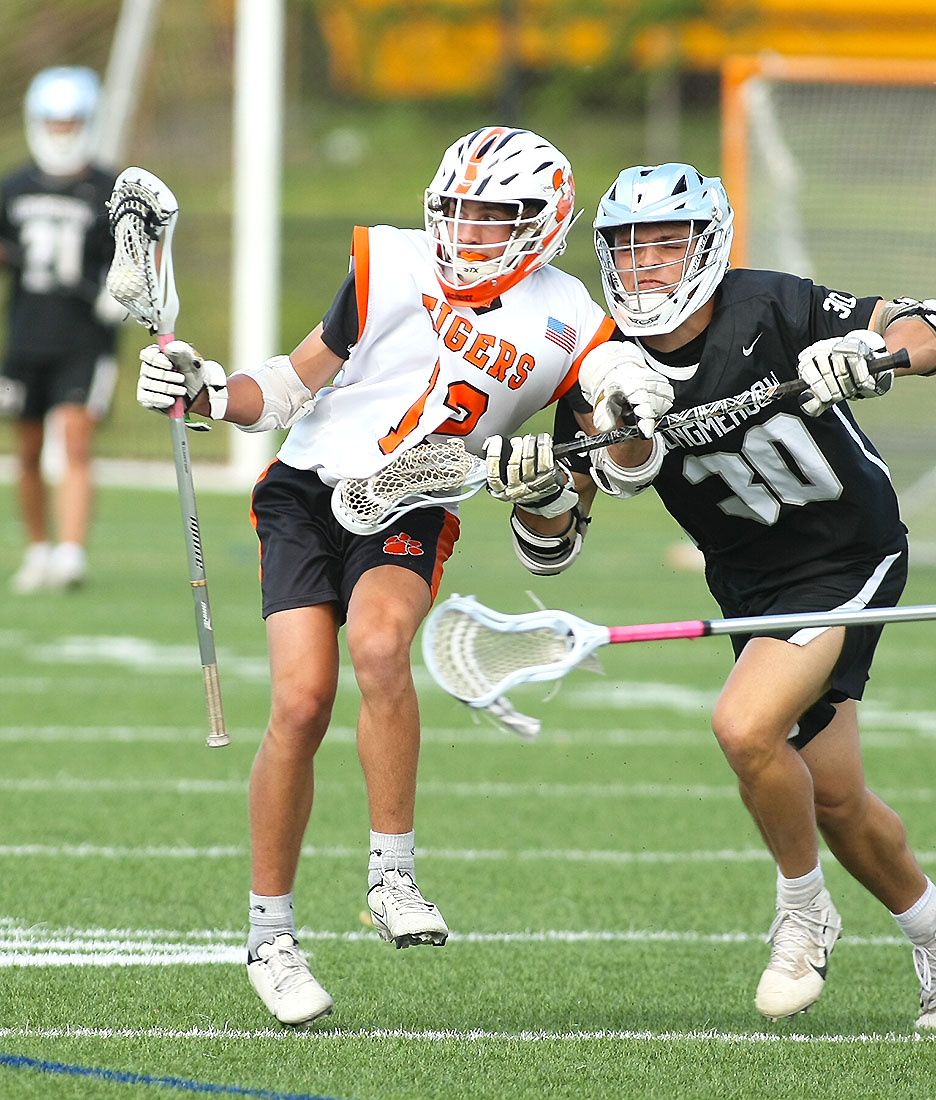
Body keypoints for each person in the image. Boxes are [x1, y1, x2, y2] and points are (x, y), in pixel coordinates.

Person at [482, 161, 936, 1029]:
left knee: (743, 726)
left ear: (707, 243)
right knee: (831, 796)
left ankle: (801, 912)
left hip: (847, 553)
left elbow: (932, 325)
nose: (645, 268)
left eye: (665, 244)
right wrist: (537, 493)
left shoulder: (767, 305)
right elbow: (555, 550)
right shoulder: (602, 368)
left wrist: (875, 357)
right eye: (627, 250)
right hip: (751, 587)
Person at [135, 125, 615, 1027]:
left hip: (415, 499)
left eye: (493, 215)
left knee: (384, 643)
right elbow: (288, 385)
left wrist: (547, 486)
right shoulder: (390, 266)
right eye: (458, 212)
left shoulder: (578, 326)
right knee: (301, 702)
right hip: (308, 490)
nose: (468, 232)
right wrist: (202, 390)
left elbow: (576, 505)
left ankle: (391, 873)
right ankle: (270, 937)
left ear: (543, 222)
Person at [0, 66, 124, 592]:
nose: (62, 131)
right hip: (28, 334)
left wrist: (119, 291)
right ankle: (38, 550)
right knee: (26, 449)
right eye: (54, 121)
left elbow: (138, 258)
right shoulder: (14, 187)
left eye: (72, 121)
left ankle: (71, 552)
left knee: (75, 440)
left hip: (84, 339)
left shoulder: (109, 189)